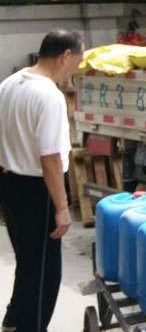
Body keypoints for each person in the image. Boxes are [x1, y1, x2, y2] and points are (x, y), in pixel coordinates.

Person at [0, 29, 83, 332]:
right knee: (46, 273)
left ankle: (13, 320)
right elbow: (50, 159)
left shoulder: (9, 84)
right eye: (77, 61)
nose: (75, 69)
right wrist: (62, 207)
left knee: (28, 261)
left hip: (9, 183)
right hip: (37, 191)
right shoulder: (49, 96)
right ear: (65, 56)